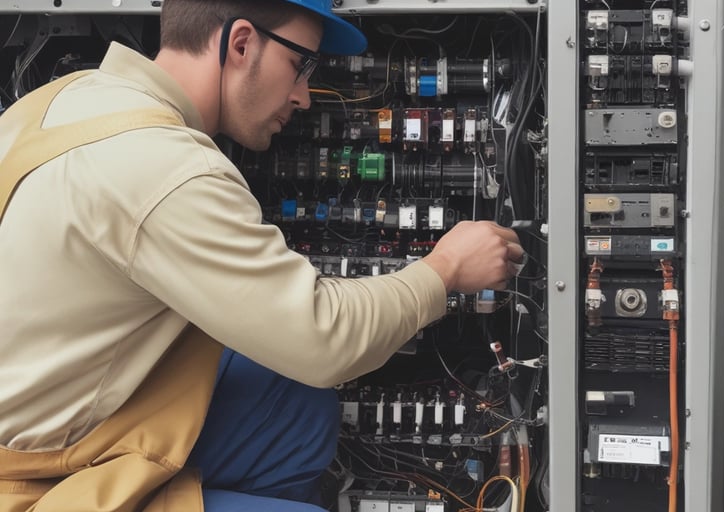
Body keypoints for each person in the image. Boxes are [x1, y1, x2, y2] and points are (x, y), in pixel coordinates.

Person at [0, 0, 525, 510]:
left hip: (67, 417)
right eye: (300, 66)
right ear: (242, 43)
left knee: (292, 399)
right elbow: (323, 338)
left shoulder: (67, 98)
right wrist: (446, 269)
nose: (305, 97)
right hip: (38, 480)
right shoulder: (165, 168)